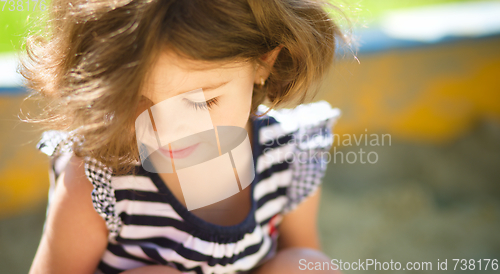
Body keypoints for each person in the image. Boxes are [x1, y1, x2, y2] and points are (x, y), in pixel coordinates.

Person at [21, 0, 346, 273]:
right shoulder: (100, 180)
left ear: (263, 63)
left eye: (201, 101)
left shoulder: (286, 155)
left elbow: (303, 255)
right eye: (138, 100)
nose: (169, 130)